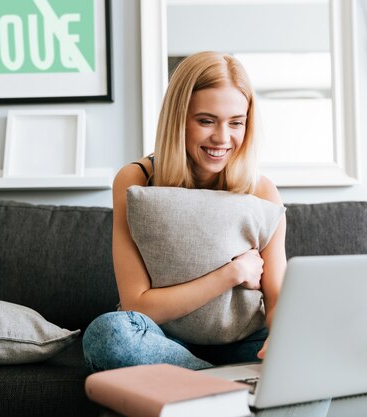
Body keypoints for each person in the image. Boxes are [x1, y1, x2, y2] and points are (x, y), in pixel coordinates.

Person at [83, 51, 287, 372]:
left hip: (244, 341)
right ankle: (219, 382)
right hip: (166, 343)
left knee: (321, 341)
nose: (222, 138)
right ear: (179, 119)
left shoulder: (262, 191)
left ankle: (194, 385)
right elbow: (137, 304)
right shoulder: (136, 179)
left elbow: (277, 301)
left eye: (236, 123)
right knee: (108, 335)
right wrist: (231, 274)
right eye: (206, 121)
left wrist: (283, 339)